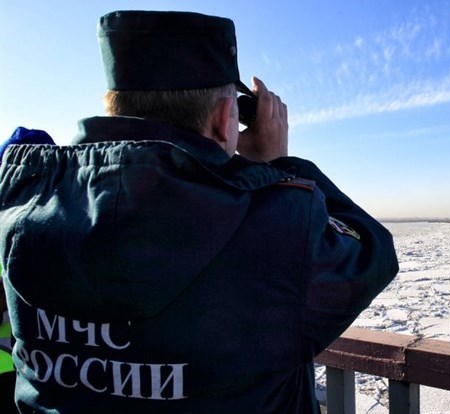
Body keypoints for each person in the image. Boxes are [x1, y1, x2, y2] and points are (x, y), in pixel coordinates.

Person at [0, 10, 398, 413]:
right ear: (225, 119)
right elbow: (374, 251)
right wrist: (278, 165)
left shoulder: (24, 201)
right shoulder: (275, 231)